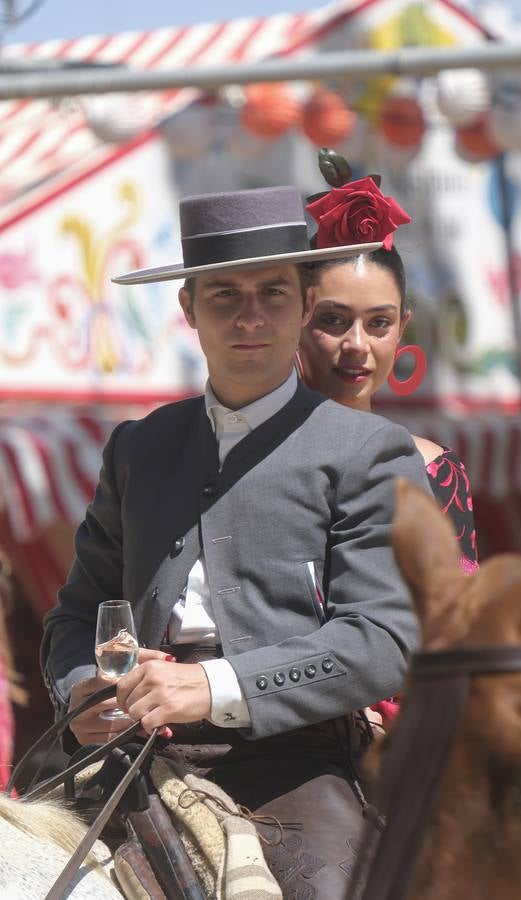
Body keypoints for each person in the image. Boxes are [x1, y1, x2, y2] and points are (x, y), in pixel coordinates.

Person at [40, 184, 430, 897]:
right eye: (223, 295)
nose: (250, 316)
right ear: (188, 310)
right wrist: (80, 691)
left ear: (305, 304)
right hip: (126, 753)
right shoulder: (139, 447)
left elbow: (384, 640)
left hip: (290, 760)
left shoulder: (369, 452)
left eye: (273, 293)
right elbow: (74, 614)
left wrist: (210, 685)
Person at [298, 246, 478, 575]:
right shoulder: (249, 457)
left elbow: (458, 616)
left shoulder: (433, 468)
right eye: (333, 320)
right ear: (296, 319)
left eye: (379, 322)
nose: (357, 344)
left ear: (401, 327)